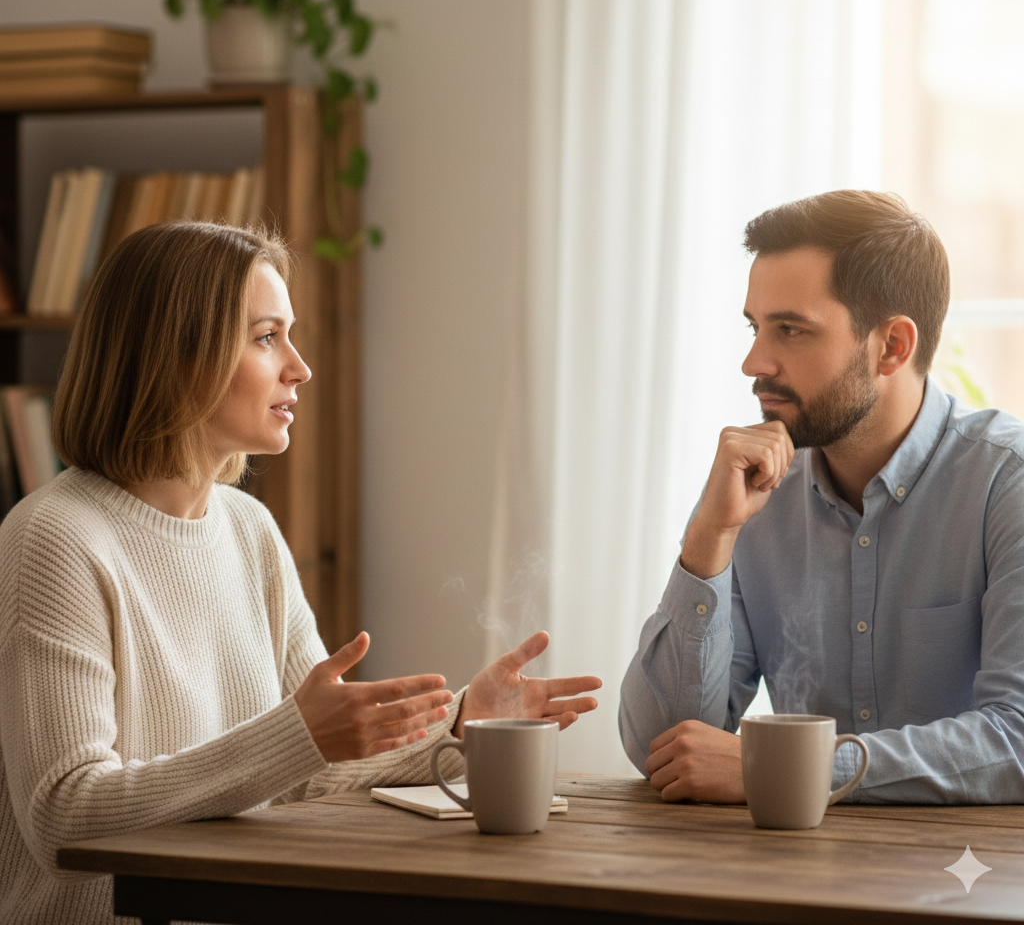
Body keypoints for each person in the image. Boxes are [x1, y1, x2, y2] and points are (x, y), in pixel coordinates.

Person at [0, 221, 602, 924]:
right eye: (266, 336)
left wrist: (461, 728)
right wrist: (299, 736)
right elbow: (65, 817)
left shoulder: (248, 530)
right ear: (176, 355)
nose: (300, 366)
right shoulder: (55, 539)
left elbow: (305, 770)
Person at [619, 189, 1024, 805]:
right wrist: (710, 536)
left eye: (791, 330)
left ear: (892, 346)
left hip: (962, 884)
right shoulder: (755, 491)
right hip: (786, 877)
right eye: (756, 327)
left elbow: (1015, 744)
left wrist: (785, 767)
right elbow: (665, 748)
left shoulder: (1005, 482)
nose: (754, 362)